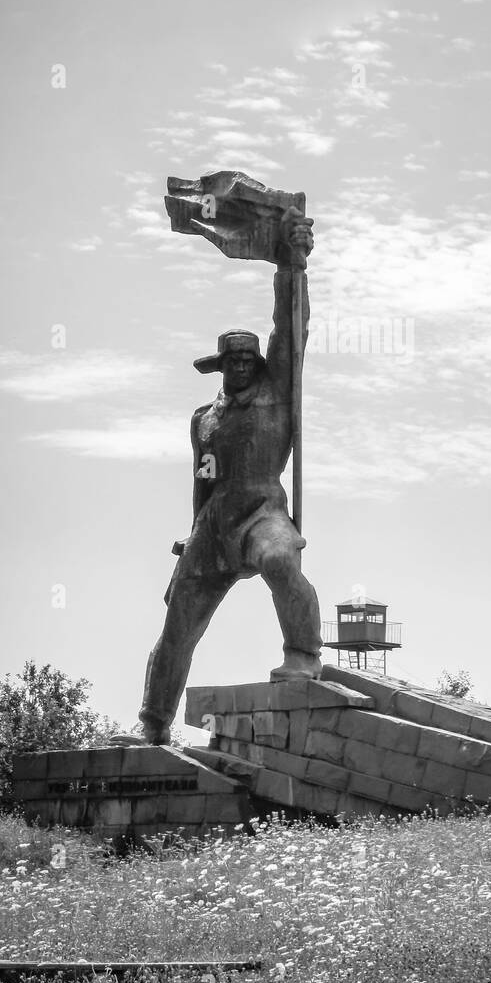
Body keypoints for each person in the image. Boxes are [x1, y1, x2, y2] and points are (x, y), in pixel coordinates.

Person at [139, 212, 321, 745]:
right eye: (232, 362)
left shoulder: (279, 390)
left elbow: (292, 327)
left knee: (280, 559)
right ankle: (153, 722)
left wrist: (293, 264)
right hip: (213, 524)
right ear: (221, 367)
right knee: (178, 623)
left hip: (264, 510)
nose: (240, 368)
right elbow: (202, 477)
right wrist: (190, 533)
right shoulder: (205, 419)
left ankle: (302, 657)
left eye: (248, 360)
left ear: (258, 364)